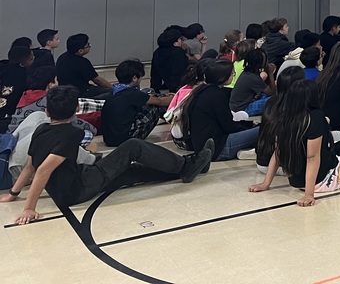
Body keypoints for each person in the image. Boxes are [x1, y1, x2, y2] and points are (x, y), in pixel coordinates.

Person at [0, 85, 213, 225]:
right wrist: (28, 208)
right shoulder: (71, 134)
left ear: (47, 111)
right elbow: (43, 170)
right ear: (76, 109)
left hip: (72, 183)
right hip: (78, 189)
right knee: (133, 146)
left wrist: (13, 193)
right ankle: (186, 166)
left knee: (132, 173)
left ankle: (195, 166)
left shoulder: (41, 129)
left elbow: (30, 166)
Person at [248, 79, 340, 206]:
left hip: (298, 181)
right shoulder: (315, 117)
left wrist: (265, 184)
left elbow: (278, 152)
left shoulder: (284, 118)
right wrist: (309, 194)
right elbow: (312, 158)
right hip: (325, 178)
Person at [180, 60, 259, 161]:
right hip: (219, 148)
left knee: (255, 130)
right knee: (264, 130)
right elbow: (229, 126)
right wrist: (248, 130)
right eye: (232, 74)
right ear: (223, 77)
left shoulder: (202, 91)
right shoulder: (216, 95)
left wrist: (248, 125)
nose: (234, 75)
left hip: (205, 147)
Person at [101, 60, 171, 147]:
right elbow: (161, 102)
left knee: (149, 94)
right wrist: (175, 97)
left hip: (109, 139)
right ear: (134, 78)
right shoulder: (132, 93)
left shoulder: (114, 92)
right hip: (125, 140)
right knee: (154, 106)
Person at [55, 34, 112, 99]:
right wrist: (113, 88)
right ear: (80, 51)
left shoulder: (62, 57)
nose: (89, 46)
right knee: (112, 93)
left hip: (65, 91)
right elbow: (98, 80)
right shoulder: (82, 62)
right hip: (81, 92)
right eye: (88, 45)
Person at [229, 49, 276, 116]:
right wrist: (270, 73)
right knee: (274, 100)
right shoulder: (253, 78)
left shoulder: (247, 73)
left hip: (238, 105)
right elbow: (272, 93)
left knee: (265, 96)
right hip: (242, 108)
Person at [150, 28, 189, 93]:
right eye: (180, 39)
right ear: (175, 43)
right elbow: (180, 71)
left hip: (163, 86)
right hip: (178, 86)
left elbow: (154, 73)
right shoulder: (178, 52)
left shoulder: (157, 52)